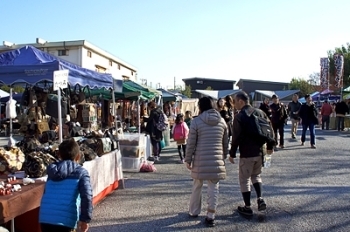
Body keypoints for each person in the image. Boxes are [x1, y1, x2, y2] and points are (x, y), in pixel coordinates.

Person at [229, 91, 274, 217]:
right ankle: (260, 199)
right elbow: (269, 129)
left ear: (241, 101)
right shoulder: (260, 112)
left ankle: (247, 207)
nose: (234, 104)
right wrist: (270, 145)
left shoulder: (240, 116)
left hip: (247, 153)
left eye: (235, 101)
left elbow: (236, 137)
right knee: (256, 175)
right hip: (260, 151)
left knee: (244, 179)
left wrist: (232, 153)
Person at [185, 97, 228, 227]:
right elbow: (225, 143)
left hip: (200, 159)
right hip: (217, 159)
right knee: (214, 187)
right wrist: (224, 157)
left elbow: (191, 143)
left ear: (200, 106)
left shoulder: (196, 121)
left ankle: (194, 211)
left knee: (197, 184)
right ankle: (211, 216)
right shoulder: (222, 121)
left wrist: (188, 159)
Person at [39, 139, 92, 232]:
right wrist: (85, 220)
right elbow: (87, 196)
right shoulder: (81, 173)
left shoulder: (52, 171)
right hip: (66, 221)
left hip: (45, 217)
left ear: (59, 155)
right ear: (78, 156)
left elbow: (46, 192)